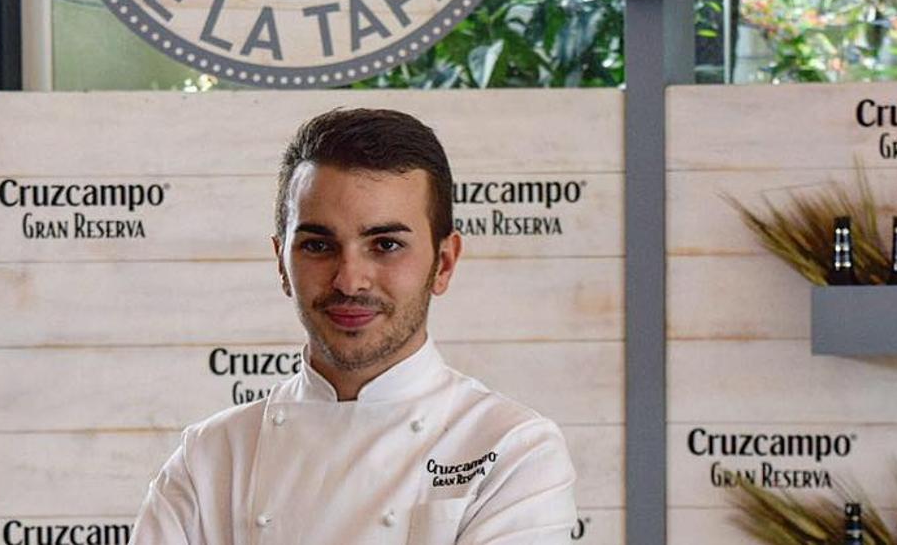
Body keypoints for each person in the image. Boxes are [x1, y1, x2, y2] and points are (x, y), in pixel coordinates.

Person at [130, 108, 577, 544]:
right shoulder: (210, 458)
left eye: (385, 244)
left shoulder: (513, 451)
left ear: (443, 263)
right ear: (281, 264)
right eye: (318, 245)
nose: (349, 279)